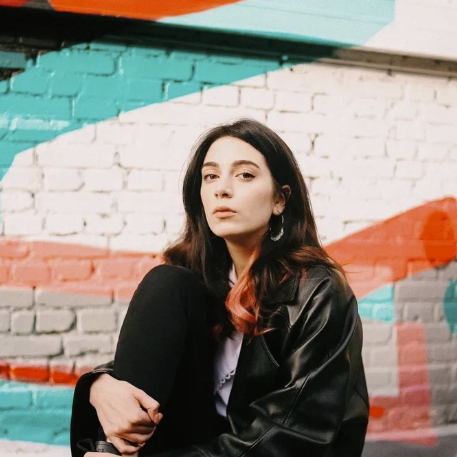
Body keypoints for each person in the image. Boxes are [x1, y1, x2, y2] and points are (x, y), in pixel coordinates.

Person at [71, 118, 369, 457]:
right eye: (211, 176)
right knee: (166, 281)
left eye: (245, 175)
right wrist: (98, 386)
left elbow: (294, 434)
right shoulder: (190, 279)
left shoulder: (318, 291)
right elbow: (147, 364)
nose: (222, 189)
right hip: (197, 446)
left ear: (280, 200)